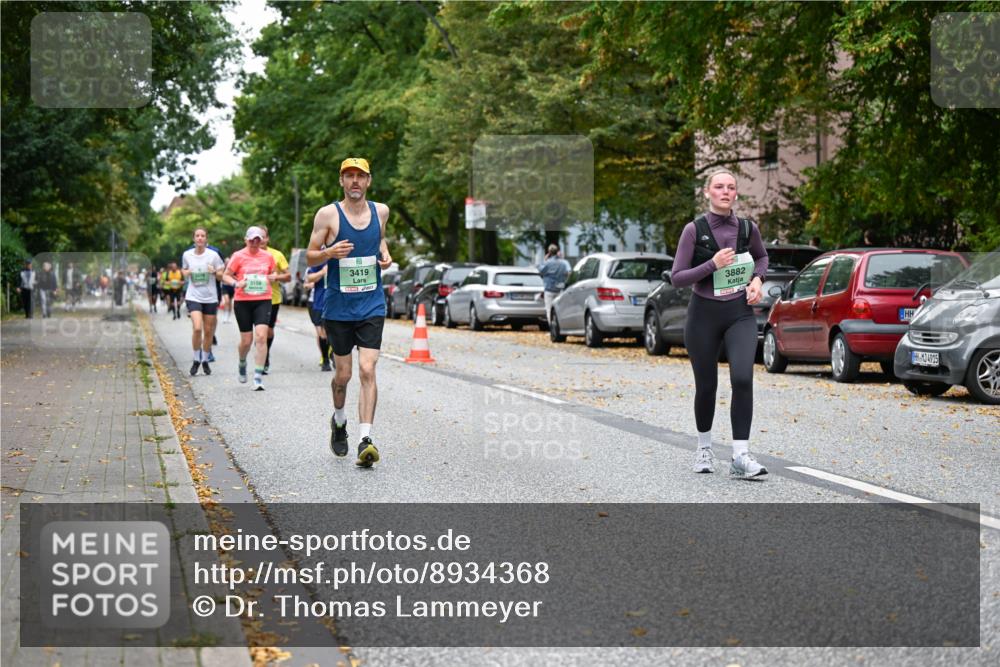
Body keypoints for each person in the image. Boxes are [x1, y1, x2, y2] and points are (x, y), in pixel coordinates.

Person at [670, 168, 769, 479]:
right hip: (703, 315)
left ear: (736, 194)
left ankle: (740, 456)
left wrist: (757, 281)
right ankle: (704, 447)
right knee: (707, 386)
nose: (725, 192)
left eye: (730, 187)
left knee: (742, 379)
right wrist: (712, 264)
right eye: (719, 187)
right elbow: (677, 277)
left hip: (739, 313)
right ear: (707, 192)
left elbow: (762, 258)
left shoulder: (747, 229)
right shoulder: (693, 230)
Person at [307, 157, 393, 467]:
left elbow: (379, 237)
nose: (355, 181)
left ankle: (365, 439)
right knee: (343, 375)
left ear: (369, 181)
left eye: (360, 176)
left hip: (371, 304)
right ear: (342, 181)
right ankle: (339, 421)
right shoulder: (328, 214)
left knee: (368, 369)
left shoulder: (380, 211)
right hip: (339, 307)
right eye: (349, 176)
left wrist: (384, 254)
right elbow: (310, 255)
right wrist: (329, 252)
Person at [223, 226, 277, 390]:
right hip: (243, 301)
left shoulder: (268, 257)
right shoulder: (238, 256)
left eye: (258, 239)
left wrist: (273, 277)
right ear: (246, 240)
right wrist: (236, 283)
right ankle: (242, 362)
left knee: (261, 336)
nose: (255, 242)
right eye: (252, 239)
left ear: (262, 241)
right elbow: (226, 275)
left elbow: (273, 274)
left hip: (263, 299)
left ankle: (258, 377)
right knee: (246, 341)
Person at [182, 228, 225, 376]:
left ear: (206, 239)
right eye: (197, 236)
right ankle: (196, 359)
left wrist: (214, 271)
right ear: (193, 239)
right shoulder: (187, 255)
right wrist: (187, 273)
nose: (200, 238)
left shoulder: (213, 255)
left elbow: (221, 276)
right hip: (193, 296)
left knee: (208, 331)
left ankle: (205, 360)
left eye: (203, 236)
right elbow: (184, 271)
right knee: (197, 328)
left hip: (210, 297)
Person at [260, 226, 291, 374]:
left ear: (267, 238)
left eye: (263, 236)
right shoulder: (246, 255)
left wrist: (276, 277)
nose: (260, 240)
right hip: (252, 297)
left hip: (272, 298)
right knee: (260, 332)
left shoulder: (277, 255)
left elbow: (288, 276)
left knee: (269, 331)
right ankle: (261, 357)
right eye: (257, 236)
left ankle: (265, 355)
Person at [305, 260, 332, 371]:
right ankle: (325, 359)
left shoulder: (343, 254)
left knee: (334, 331)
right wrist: (322, 272)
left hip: (337, 301)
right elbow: (309, 278)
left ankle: (333, 354)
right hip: (320, 302)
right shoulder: (319, 258)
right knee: (322, 332)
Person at [537, 243, 571, 324]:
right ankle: (559, 328)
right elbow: (567, 273)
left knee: (549, 310)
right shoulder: (563, 264)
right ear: (557, 252)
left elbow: (540, 270)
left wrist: (544, 260)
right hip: (560, 289)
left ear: (549, 252)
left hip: (549, 289)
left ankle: (552, 329)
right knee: (559, 310)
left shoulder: (547, 263)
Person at [220, 255, 235, 323]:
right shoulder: (222, 269)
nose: (227, 263)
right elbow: (220, 277)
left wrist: (233, 277)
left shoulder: (233, 268)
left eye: (229, 262)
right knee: (227, 301)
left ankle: (228, 317)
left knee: (230, 302)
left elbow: (236, 277)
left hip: (232, 287)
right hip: (225, 286)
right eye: (226, 262)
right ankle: (225, 316)